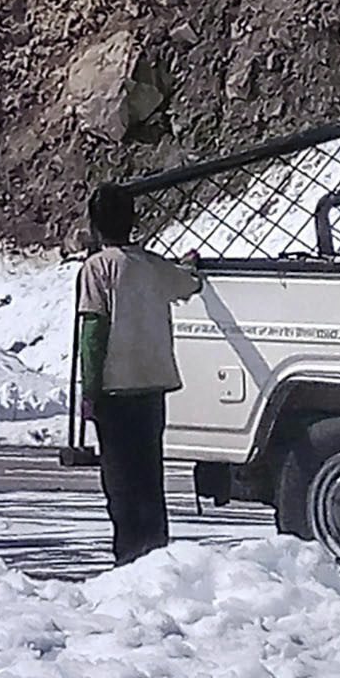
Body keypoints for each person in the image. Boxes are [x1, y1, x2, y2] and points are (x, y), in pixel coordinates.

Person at [72, 185, 204, 567]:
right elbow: (186, 281)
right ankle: (155, 554)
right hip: (153, 386)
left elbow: (93, 332)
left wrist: (89, 389)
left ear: (95, 226)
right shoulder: (151, 264)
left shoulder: (97, 268)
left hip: (115, 389)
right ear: (133, 222)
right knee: (150, 475)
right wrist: (188, 264)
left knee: (120, 480)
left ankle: (128, 556)